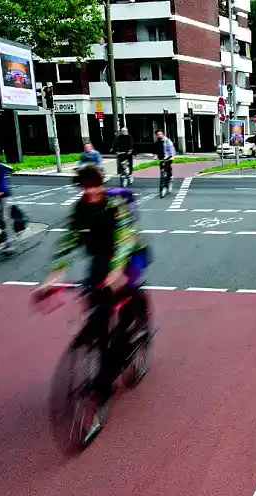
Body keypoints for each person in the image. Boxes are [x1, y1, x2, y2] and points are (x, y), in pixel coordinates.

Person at [34, 165, 150, 441]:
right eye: (84, 186)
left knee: (121, 318)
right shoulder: (79, 210)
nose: (89, 191)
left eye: (93, 185)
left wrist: (117, 272)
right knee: (96, 318)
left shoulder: (115, 208)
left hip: (131, 257)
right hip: (101, 263)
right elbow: (67, 243)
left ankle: (121, 357)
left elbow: (123, 241)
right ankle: (99, 345)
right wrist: (54, 277)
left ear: (101, 184)